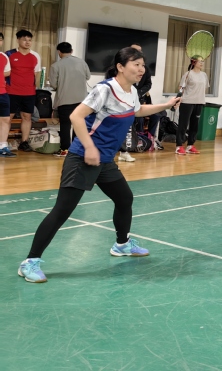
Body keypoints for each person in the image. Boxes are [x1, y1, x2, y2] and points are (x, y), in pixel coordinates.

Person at [17, 47, 181, 283]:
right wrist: (90, 147)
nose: (141, 69)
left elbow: (137, 111)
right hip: (83, 158)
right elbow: (76, 116)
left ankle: (122, 244)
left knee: (124, 199)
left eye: (143, 65)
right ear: (120, 67)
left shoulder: (132, 91)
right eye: (136, 64)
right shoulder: (105, 89)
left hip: (104, 161)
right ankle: (30, 262)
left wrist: (166, 104)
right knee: (62, 211)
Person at [50, 42, 91, 158]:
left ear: (59, 52)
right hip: (82, 100)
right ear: (71, 51)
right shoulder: (82, 62)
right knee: (79, 124)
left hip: (64, 100)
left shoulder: (56, 66)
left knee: (65, 125)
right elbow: (88, 76)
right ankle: (76, 149)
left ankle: (65, 149)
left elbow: (53, 85)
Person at [8, 29, 41, 153]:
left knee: (27, 117)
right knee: (7, 117)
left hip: (29, 92)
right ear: (18, 40)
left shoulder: (35, 56)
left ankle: (24, 142)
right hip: (11, 91)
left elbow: (36, 73)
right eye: (24, 39)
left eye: (29, 40)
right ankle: (2, 142)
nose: (27, 42)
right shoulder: (10, 54)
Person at [175, 56, 209, 155]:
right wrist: (178, 100)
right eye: (200, 61)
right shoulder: (188, 74)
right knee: (183, 125)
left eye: (203, 61)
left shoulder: (204, 75)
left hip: (199, 102)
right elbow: (181, 88)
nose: (202, 63)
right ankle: (179, 146)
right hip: (187, 102)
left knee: (195, 125)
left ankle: (190, 145)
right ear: (194, 62)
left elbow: (204, 88)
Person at [0, 33, 13, 157]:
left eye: (0, 40)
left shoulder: (4, 56)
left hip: (3, 92)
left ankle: (3, 146)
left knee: (5, 119)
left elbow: (7, 72)